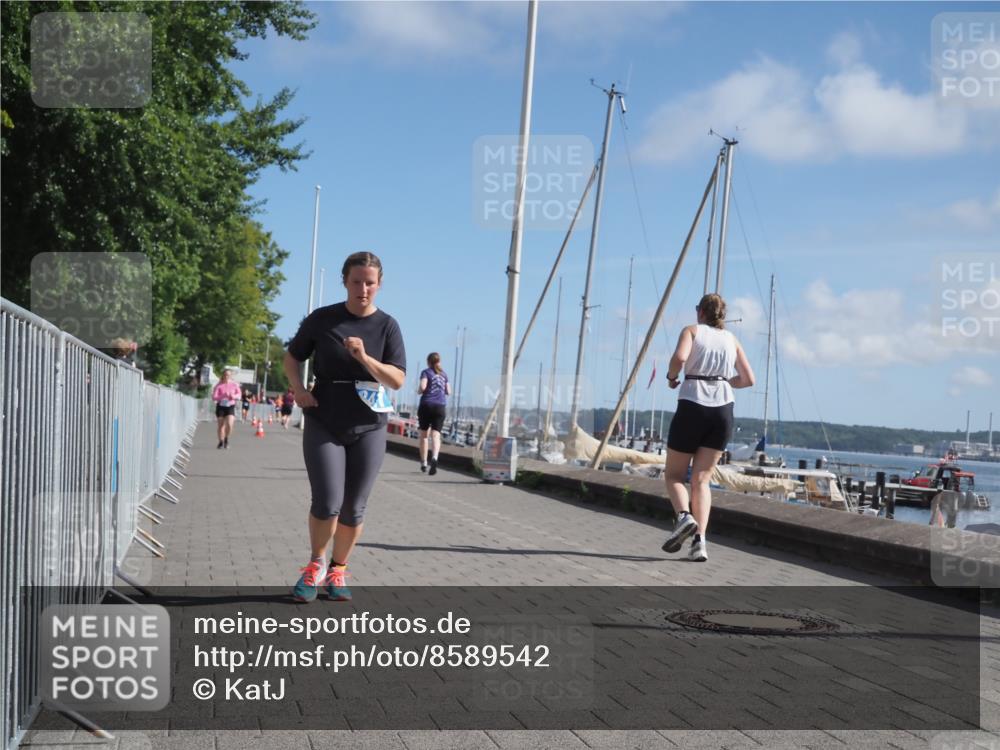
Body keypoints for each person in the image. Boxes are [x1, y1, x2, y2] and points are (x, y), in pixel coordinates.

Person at [284, 251, 406, 603]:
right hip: (325, 418)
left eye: (370, 282)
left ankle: (338, 569)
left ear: (379, 284)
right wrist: (299, 389)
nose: (363, 289)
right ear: (345, 282)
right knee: (327, 500)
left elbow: (397, 379)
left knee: (354, 507)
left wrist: (365, 358)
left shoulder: (387, 326)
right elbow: (292, 358)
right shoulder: (323, 319)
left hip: (369, 424)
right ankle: (315, 565)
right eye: (356, 281)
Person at [660, 294, 755, 562]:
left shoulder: (692, 331)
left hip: (693, 405)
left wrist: (671, 377)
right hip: (723, 411)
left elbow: (679, 358)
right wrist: (725, 381)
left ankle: (683, 516)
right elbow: (748, 379)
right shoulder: (732, 340)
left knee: (674, 476)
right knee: (702, 479)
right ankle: (699, 542)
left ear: (700, 312)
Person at [417, 352, 450, 475]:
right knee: (436, 435)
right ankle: (435, 457)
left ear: (428, 362)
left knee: (424, 436)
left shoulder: (426, 372)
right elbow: (449, 391)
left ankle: (424, 463)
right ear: (438, 361)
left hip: (426, 405)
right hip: (440, 406)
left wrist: (419, 390)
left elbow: (423, 387)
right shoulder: (444, 375)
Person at [212, 369, 241, 449]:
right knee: (221, 426)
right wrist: (223, 396)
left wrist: (233, 396)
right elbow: (214, 397)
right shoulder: (218, 386)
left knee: (230, 424)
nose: (226, 376)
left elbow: (239, 395)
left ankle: (226, 439)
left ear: (231, 376)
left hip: (230, 406)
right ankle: (220, 442)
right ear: (223, 376)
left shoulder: (235, 385)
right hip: (221, 406)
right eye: (225, 375)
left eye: (228, 375)